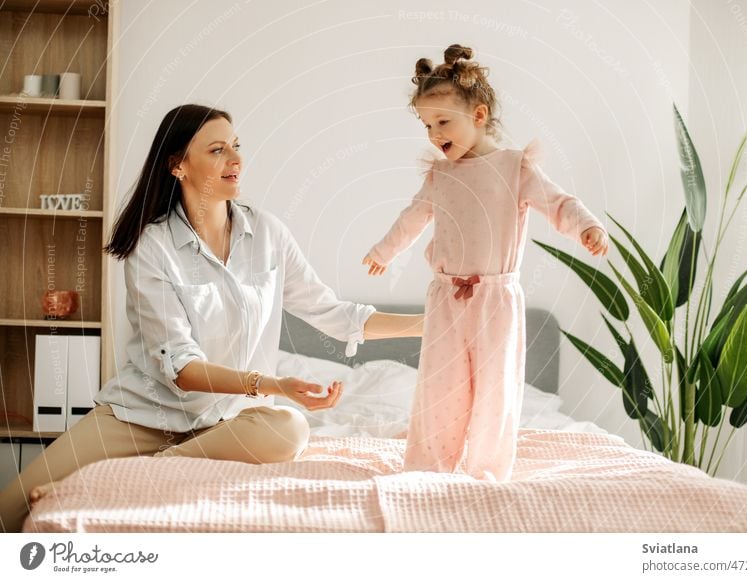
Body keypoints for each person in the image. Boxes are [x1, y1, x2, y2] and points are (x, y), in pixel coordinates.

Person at [0, 104, 423, 532]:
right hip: (144, 416)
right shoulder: (153, 247)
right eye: (218, 150)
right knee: (10, 509)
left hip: (229, 424)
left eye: (236, 147)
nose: (237, 160)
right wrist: (272, 385)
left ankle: (117, 480)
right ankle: (134, 466)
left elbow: (335, 315)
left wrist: (432, 321)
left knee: (289, 428)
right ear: (178, 165)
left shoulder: (269, 235)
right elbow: (180, 369)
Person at [363, 44, 609, 482]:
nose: (434, 134)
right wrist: (384, 251)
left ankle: (487, 470)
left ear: (477, 116)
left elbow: (558, 203)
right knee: (440, 386)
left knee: (495, 387)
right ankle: (427, 467)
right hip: (445, 296)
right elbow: (414, 217)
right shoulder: (440, 174)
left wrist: (586, 227)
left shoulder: (515, 168)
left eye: (442, 122)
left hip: (496, 297)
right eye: (426, 125)